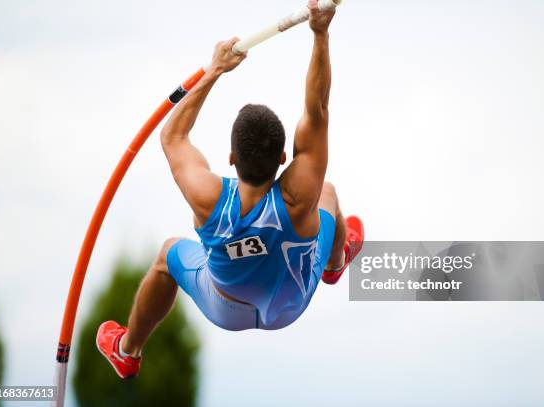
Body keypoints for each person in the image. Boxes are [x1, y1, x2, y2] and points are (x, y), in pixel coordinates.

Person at [96, 0, 363, 379]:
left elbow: (172, 137)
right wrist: (320, 34)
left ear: (231, 159)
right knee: (329, 194)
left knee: (168, 255)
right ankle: (335, 264)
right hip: (290, 303)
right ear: (285, 156)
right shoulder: (298, 194)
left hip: (224, 306)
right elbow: (317, 108)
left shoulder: (209, 199)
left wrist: (215, 70)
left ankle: (128, 350)